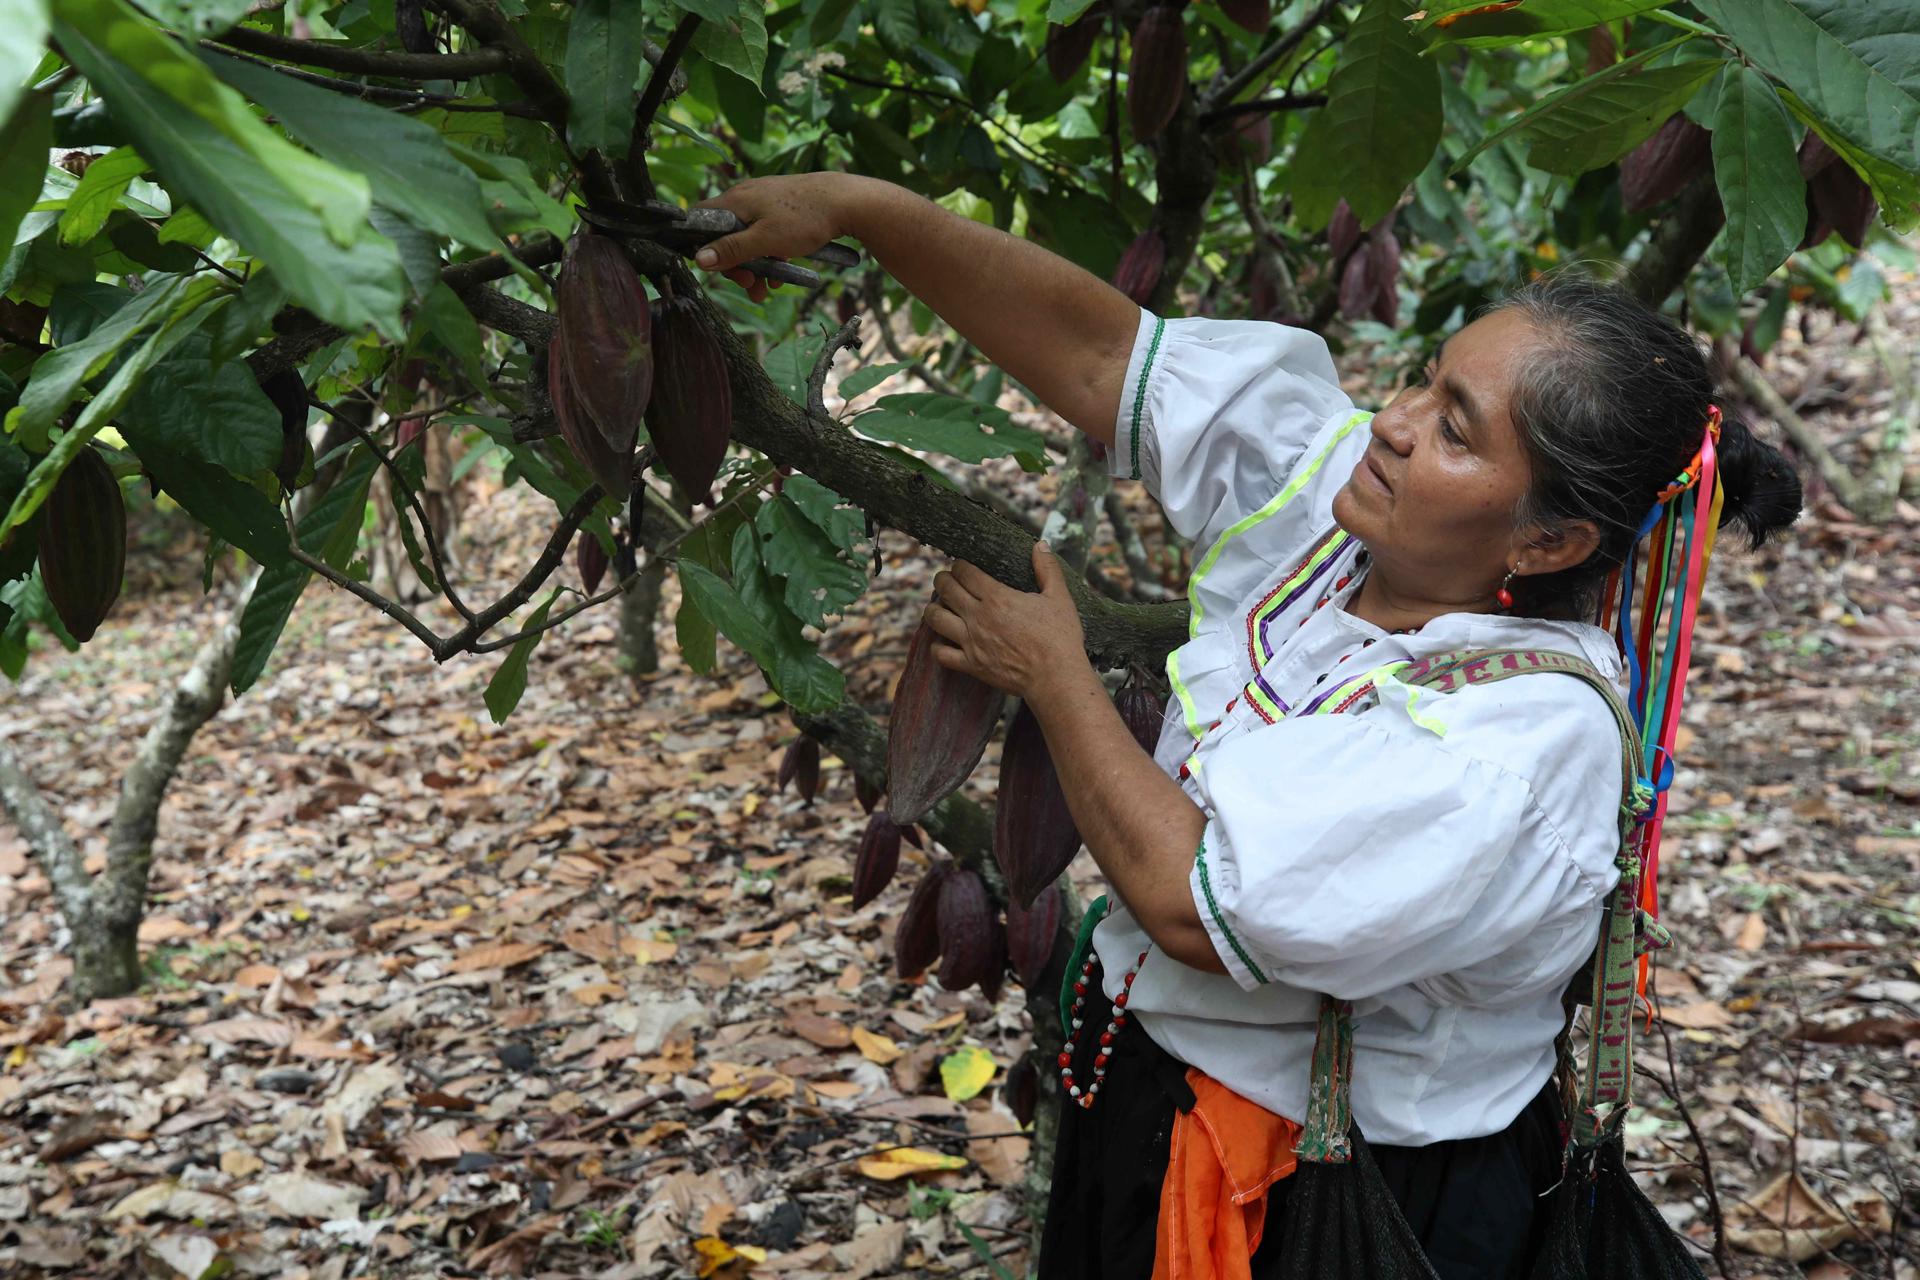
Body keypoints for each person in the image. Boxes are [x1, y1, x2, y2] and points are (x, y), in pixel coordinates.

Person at [692, 174, 1803, 1279]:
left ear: (1550, 542)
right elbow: (1103, 358)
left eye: (1456, 432)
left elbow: (1193, 897)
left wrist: (1056, 673)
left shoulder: (1516, 746)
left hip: (1332, 1196)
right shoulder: (1340, 509)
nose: (1397, 421)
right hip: (1156, 1097)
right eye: (1426, 380)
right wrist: (867, 212)